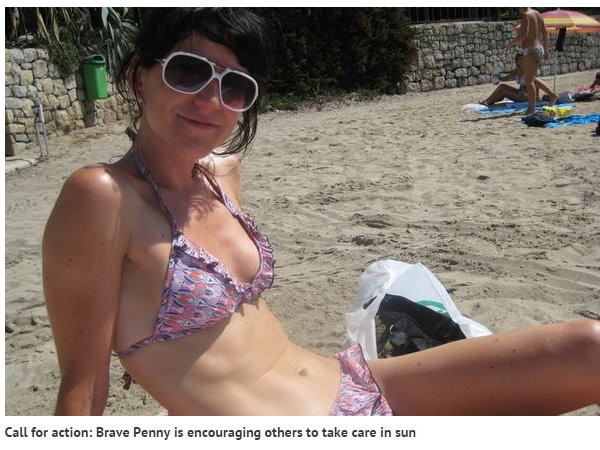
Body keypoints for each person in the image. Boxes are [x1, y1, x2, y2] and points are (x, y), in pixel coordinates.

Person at [43, 7, 600, 416]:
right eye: (189, 72)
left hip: (352, 379)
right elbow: (83, 386)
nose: (212, 100)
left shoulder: (220, 173)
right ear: (139, 75)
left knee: (589, 348)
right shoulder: (102, 196)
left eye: (236, 86)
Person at [507, 7, 558, 114]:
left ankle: (531, 107)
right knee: (532, 78)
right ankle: (551, 95)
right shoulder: (537, 13)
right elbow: (545, 32)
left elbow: (524, 35)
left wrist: (511, 43)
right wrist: (546, 49)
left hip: (530, 49)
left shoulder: (526, 15)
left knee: (529, 81)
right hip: (539, 48)